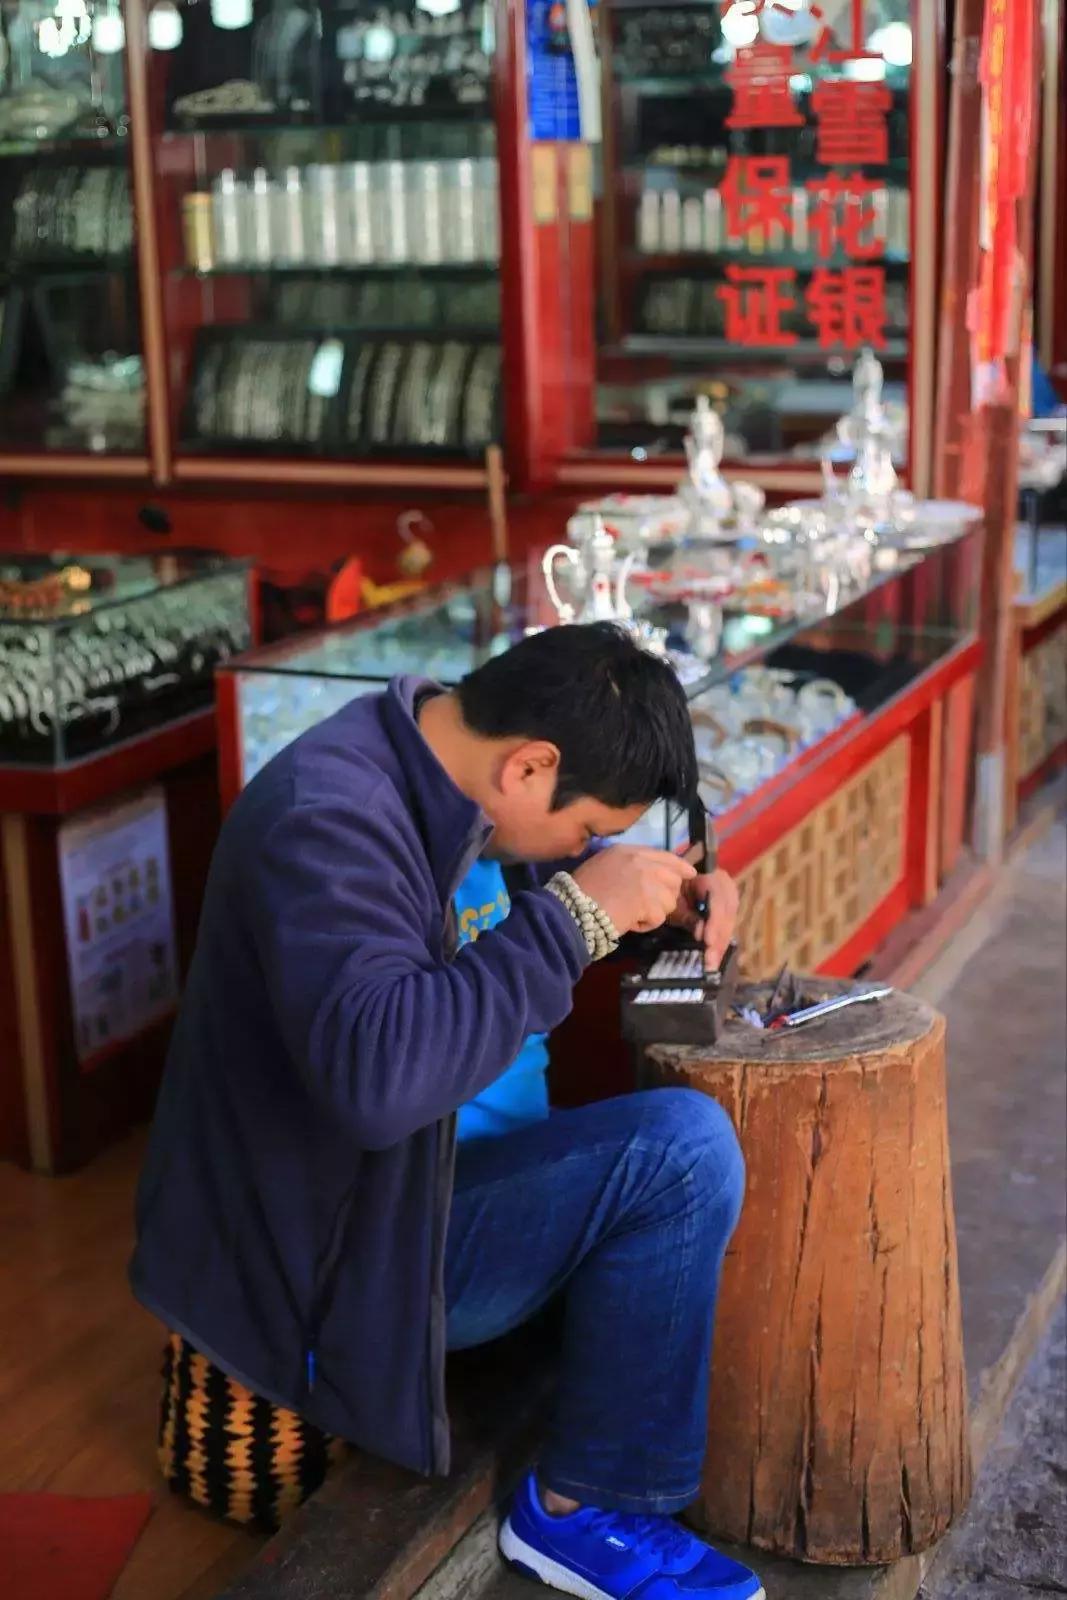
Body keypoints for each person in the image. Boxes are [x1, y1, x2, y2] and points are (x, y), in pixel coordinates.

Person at [131, 622, 762, 1600]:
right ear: (527, 765)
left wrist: (649, 920)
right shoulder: (329, 818)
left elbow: (497, 930)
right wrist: (574, 914)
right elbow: (378, 1079)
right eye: (587, 827)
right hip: (342, 1251)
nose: (583, 849)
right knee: (681, 1152)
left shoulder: (445, 769)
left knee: (671, 1146)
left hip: (431, 1196)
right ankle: (579, 1511)